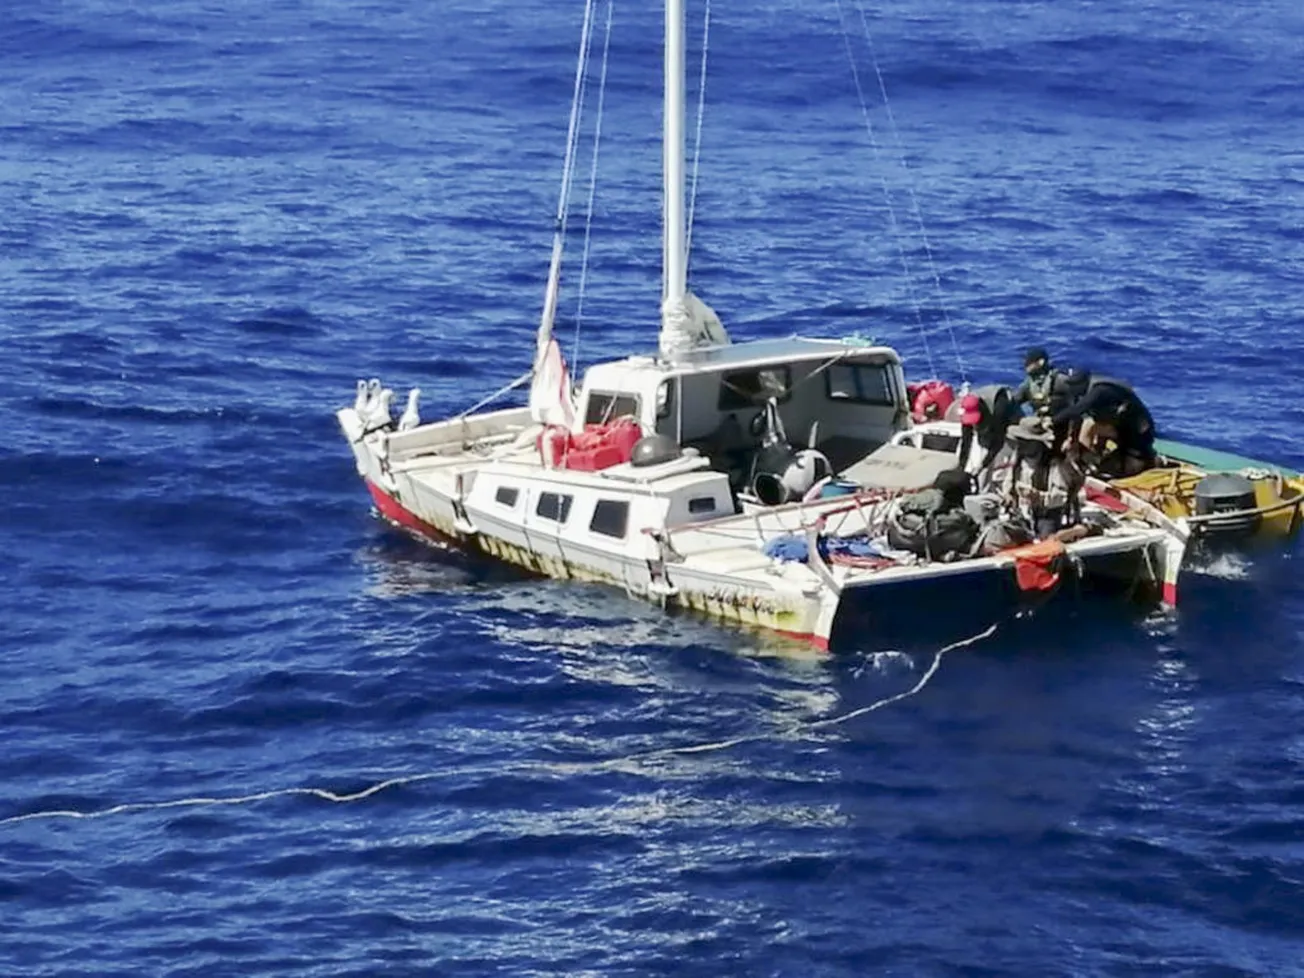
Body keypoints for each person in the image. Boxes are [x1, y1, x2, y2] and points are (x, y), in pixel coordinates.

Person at [1050, 371, 1157, 477]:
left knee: (1117, 467)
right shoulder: (1092, 391)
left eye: (1074, 385)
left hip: (1136, 438)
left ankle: (1087, 464)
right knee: (1090, 424)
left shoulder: (1099, 391)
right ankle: (1088, 459)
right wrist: (1071, 439)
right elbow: (1078, 416)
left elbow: (1078, 409)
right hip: (1122, 429)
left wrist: (1052, 421)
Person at [1001, 416, 1085, 539]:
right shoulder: (1018, 460)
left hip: (1047, 514)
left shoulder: (1054, 464)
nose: (1021, 445)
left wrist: (1038, 497)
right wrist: (1007, 494)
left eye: (1025, 441)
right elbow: (1009, 480)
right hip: (1022, 513)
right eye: (1019, 440)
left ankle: (1078, 530)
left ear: (1036, 443)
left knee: (1047, 539)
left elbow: (1061, 497)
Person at [1010, 347, 1073, 418]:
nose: (1026, 365)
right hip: (1039, 420)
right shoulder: (1028, 383)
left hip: (1062, 419)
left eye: (1029, 362)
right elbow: (1015, 400)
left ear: (1041, 362)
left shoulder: (1059, 379)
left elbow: (1077, 398)